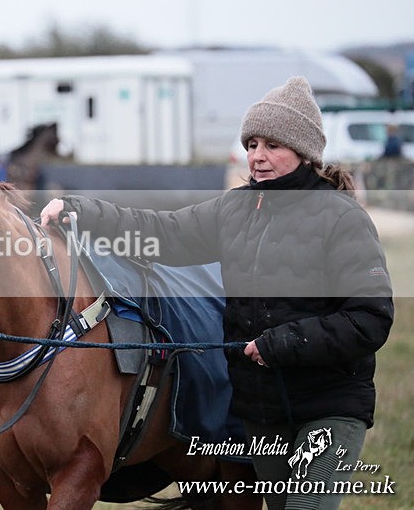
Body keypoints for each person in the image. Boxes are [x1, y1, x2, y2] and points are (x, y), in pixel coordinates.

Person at [40, 77, 394, 510]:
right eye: (252, 144)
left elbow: (369, 319)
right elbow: (162, 233)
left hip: (326, 406)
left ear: (304, 152)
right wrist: (82, 211)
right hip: (262, 412)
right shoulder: (235, 209)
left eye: (272, 145)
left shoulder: (342, 218)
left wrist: (280, 345)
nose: (258, 157)